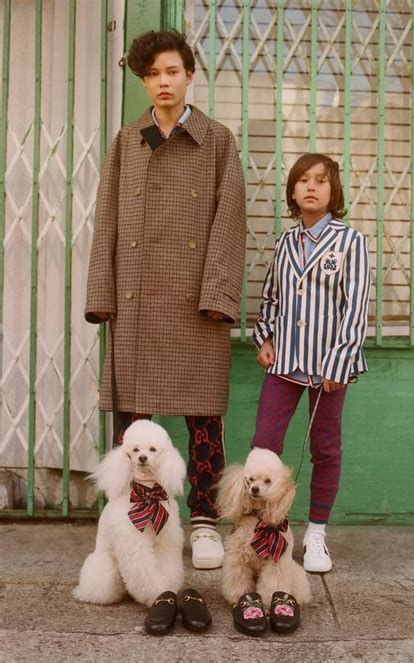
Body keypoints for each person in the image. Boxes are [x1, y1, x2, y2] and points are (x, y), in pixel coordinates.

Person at [85, 30, 246, 570]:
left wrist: (218, 294)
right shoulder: (127, 141)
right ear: (143, 80)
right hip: (135, 296)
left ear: (189, 74)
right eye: (152, 74)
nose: (163, 82)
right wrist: (102, 294)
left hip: (195, 298)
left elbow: (229, 223)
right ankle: (129, 517)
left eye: (172, 71)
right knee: (134, 425)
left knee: (203, 416)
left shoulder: (217, 140)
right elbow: (106, 219)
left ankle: (201, 521)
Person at [252, 153, 370, 573]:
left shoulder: (350, 242)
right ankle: (266, 528)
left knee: (325, 449)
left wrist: (340, 365)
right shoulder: (286, 242)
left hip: (328, 369)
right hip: (284, 360)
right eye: (302, 180)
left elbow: (355, 309)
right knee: (264, 448)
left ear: (333, 190)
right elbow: (271, 297)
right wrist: (264, 336)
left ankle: (316, 533)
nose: (311, 187)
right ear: (292, 191)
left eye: (320, 180)